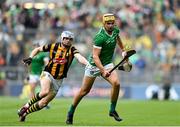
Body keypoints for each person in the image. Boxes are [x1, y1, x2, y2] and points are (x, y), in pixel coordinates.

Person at [66, 13, 132, 124]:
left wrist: (124, 51)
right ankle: (71, 112)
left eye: (112, 23)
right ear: (104, 23)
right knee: (84, 91)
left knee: (116, 83)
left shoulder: (115, 31)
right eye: (108, 23)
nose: (110, 25)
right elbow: (95, 57)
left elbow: (119, 41)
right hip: (94, 65)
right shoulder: (99, 37)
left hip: (107, 63)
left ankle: (112, 110)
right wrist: (102, 71)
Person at [17, 31, 88, 122]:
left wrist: (88, 64)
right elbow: (38, 49)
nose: (68, 41)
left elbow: (80, 57)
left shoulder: (72, 49)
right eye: (66, 38)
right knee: (45, 91)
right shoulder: (53, 46)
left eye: (70, 39)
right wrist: (30, 57)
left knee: (43, 103)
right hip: (48, 73)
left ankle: (25, 113)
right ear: (62, 38)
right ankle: (26, 106)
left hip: (58, 80)